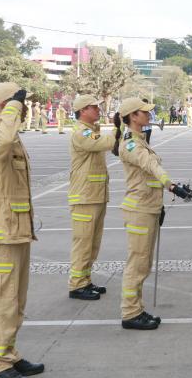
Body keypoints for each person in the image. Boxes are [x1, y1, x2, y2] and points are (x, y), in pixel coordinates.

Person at [0, 82, 43, 378]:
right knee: (2, 301)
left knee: (16, 300)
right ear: (4, 106)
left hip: (16, 232)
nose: (25, 107)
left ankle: (9, 354)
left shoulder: (13, 140)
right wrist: (13, 107)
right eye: (18, 103)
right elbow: (2, 140)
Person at [111, 97, 181, 330]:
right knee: (137, 264)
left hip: (148, 207)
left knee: (143, 263)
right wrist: (169, 184)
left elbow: (149, 173)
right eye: (144, 112)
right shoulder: (131, 144)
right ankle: (130, 313)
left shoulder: (140, 140)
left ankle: (136, 309)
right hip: (138, 209)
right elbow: (150, 166)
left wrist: (160, 202)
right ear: (133, 116)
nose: (148, 115)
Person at [67, 95, 117, 301]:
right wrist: (118, 128)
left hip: (94, 195)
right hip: (84, 196)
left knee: (93, 243)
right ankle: (76, 285)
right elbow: (103, 143)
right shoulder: (81, 131)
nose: (98, 110)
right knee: (83, 243)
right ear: (83, 110)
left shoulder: (92, 130)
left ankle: (85, 280)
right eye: (94, 107)